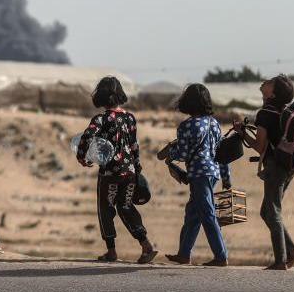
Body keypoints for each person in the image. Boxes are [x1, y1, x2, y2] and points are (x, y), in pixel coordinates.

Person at [76, 76, 157, 264]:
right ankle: (146, 245)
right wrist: (136, 167)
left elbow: (87, 136)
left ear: (101, 96)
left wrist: (82, 156)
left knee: (105, 208)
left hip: (109, 174)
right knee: (126, 206)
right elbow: (134, 145)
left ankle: (111, 251)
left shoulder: (101, 119)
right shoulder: (130, 118)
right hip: (129, 172)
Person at [236, 74, 294, 270]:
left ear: (273, 93)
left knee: (272, 212)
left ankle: (281, 260)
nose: (265, 81)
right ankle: (292, 251)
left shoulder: (266, 113)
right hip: (288, 166)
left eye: (270, 82)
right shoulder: (283, 110)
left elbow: (259, 146)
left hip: (275, 168)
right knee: (267, 212)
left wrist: (241, 133)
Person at [160, 83, 229, 267]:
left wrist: (169, 155)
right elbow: (221, 152)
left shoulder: (186, 125)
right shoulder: (214, 123)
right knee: (193, 213)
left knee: (207, 213)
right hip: (213, 173)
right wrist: (226, 176)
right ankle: (184, 254)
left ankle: (221, 255)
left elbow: (182, 154)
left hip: (198, 174)